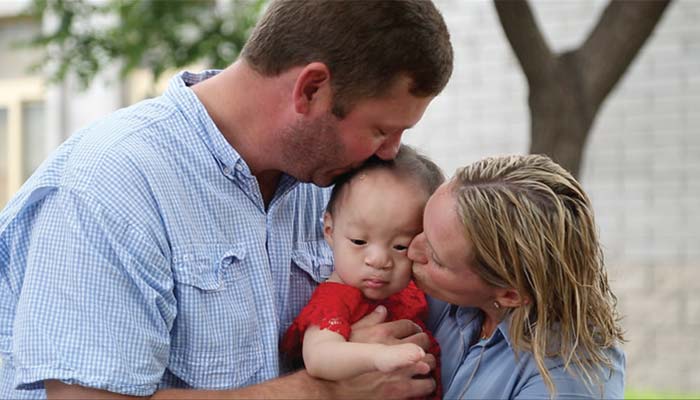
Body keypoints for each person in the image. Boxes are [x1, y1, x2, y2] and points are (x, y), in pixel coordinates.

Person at [0, 1, 453, 398]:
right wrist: (325, 391)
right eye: (380, 130)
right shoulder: (113, 184)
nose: (390, 152)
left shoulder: (336, 180)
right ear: (311, 89)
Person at [407, 154, 626, 399]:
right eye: (420, 228)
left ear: (511, 295)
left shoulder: (569, 381)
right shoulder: (452, 294)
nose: (411, 250)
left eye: (436, 258)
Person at [280, 145, 444, 399]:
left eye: (400, 246)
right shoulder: (335, 300)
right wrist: (379, 356)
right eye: (359, 241)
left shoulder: (410, 286)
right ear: (330, 231)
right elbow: (319, 356)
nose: (378, 261)